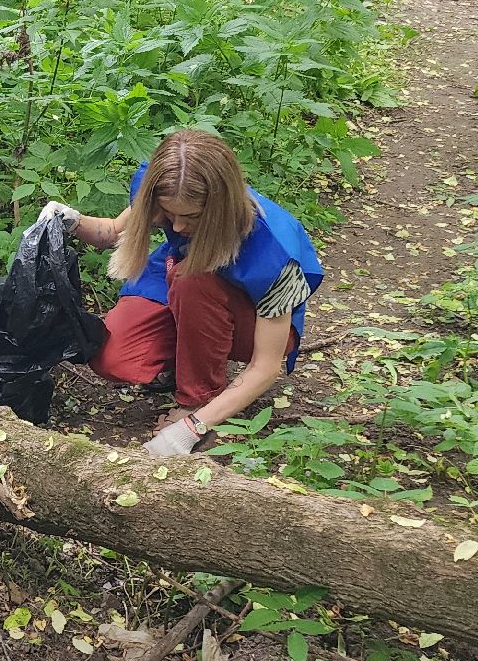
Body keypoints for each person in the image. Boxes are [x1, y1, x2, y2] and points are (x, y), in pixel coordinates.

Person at [41, 129, 322, 457]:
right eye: (169, 214)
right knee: (115, 359)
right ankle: (190, 356)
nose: (176, 227)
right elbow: (114, 231)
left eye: (191, 217)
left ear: (220, 208)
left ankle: (200, 398)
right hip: (183, 283)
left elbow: (265, 367)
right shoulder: (164, 189)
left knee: (193, 280)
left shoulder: (276, 254)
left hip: (248, 319)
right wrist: (70, 220)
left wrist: (191, 428)